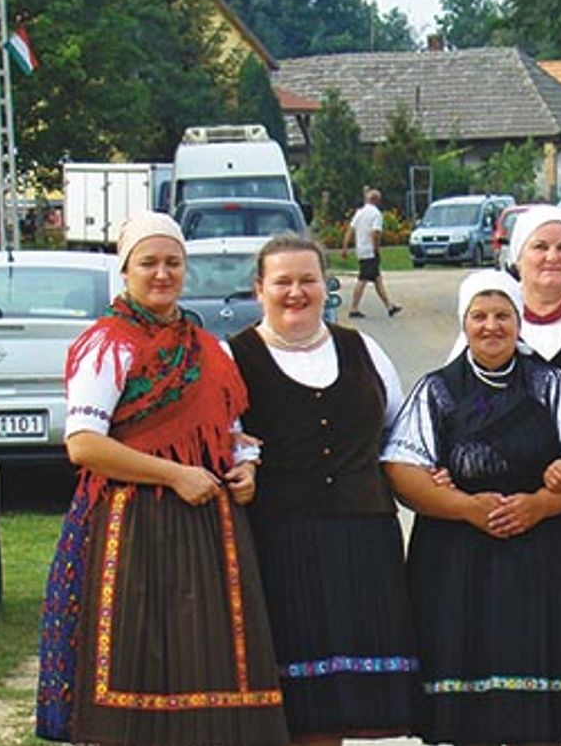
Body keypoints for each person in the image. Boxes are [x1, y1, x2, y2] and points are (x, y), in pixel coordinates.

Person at [35, 213, 287, 745]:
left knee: (206, 659)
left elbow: (232, 431)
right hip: (129, 526)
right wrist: (174, 475)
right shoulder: (109, 345)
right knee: (136, 655)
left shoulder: (209, 348)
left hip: (207, 528)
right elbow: (84, 444)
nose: (162, 273)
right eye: (148, 262)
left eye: (173, 262)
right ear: (125, 270)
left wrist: (246, 469)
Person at [382, 270, 561, 745]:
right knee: (470, 702)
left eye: (503, 315)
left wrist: (543, 504)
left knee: (539, 706)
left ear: (518, 322)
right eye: (479, 316)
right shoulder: (437, 390)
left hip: (543, 557)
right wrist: (464, 506)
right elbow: (401, 470)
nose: (491, 326)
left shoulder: (551, 385)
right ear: (464, 323)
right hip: (458, 559)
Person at [227, 233, 418, 744]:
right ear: (259, 289)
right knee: (298, 698)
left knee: (346, 698)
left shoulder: (362, 348)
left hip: (363, 538)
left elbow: (401, 432)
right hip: (281, 538)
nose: (296, 292)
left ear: (326, 286)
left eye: (307, 280)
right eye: (282, 281)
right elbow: (224, 440)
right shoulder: (236, 357)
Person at [450, 204, 561, 387]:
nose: (552, 257)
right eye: (540, 247)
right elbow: (453, 394)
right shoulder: (487, 323)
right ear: (518, 258)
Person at [342, 188, 401, 318]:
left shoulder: (360, 213)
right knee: (363, 279)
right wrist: (376, 248)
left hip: (361, 249)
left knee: (377, 278)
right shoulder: (376, 214)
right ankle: (353, 308)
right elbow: (375, 233)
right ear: (377, 200)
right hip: (370, 251)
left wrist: (345, 247)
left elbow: (350, 230)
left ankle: (389, 306)